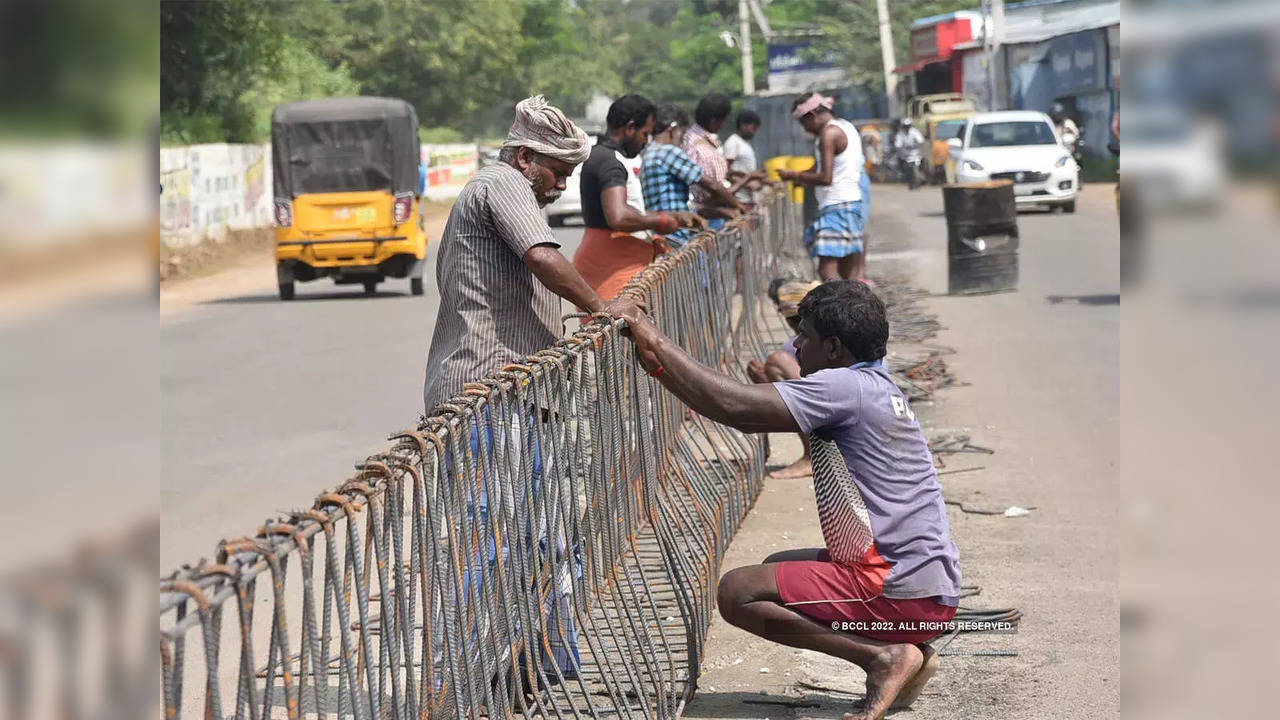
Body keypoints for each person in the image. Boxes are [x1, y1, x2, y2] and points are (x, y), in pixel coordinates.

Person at [625, 280, 962, 720]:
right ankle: (908, 646)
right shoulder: (875, 382)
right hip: (931, 588)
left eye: (803, 336)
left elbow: (735, 409)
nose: (795, 347)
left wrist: (651, 337)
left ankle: (882, 657)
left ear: (835, 347)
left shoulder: (843, 387)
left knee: (738, 592)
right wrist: (657, 362)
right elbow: (739, 400)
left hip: (901, 590)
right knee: (776, 564)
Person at [423, 95, 646, 411]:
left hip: (508, 385)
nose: (562, 186)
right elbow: (542, 256)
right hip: (488, 386)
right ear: (525, 156)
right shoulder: (504, 181)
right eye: (559, 173)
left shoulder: (515, 189)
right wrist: (601, 307)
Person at [571, 94, 706, 300]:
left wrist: (675, 217)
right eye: (645, 133)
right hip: (611, 268)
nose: (646, 141)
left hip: (609, 261)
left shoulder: (603, 156)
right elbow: (619, 217)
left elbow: (631, 210)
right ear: (630, 128)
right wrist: (662, 221)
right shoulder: (610, 162)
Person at [778, 93, 870, 283]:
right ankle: (851, 306)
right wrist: (802, 178)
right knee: (846, 271)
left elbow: (826, 177)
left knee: (827, 270)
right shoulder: (846, 126)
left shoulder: (828, 134)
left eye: (804, 123)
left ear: (812, 115)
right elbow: (822, 168)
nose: (805, 129)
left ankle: (838, 307)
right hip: (849, 203)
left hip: (837, 206)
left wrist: (794, 175)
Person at [641, 104, 744, 248]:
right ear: (673, 129)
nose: (682, 140)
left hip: (661, 232)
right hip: (677, 234)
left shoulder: (649, 152)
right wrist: (738, 205)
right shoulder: (668, 151)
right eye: (682, 134)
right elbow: (711, 184)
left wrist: (722, 211)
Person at [746, 279, 820, 479]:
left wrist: (766, 380)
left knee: (776, 363)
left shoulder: (797, 345)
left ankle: (812, 457)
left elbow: (806, 386)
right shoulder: (835, 331)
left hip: (831, 411)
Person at [682, 93, 750, 229]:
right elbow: (713, 186)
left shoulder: (693, 138)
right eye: (723, 121)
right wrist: (737, 204)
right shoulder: (700, 148)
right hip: (706, 215)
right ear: (714, 121)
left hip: (711, 211)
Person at [723, 109, 768, 209]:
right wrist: (748, 183)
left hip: (749, 199)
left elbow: (742, 171)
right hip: (739, 200)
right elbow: (725, 172)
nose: (754, 132)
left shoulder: (745, 144)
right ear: (743, 125)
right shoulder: (733, 142)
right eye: (753, 128)